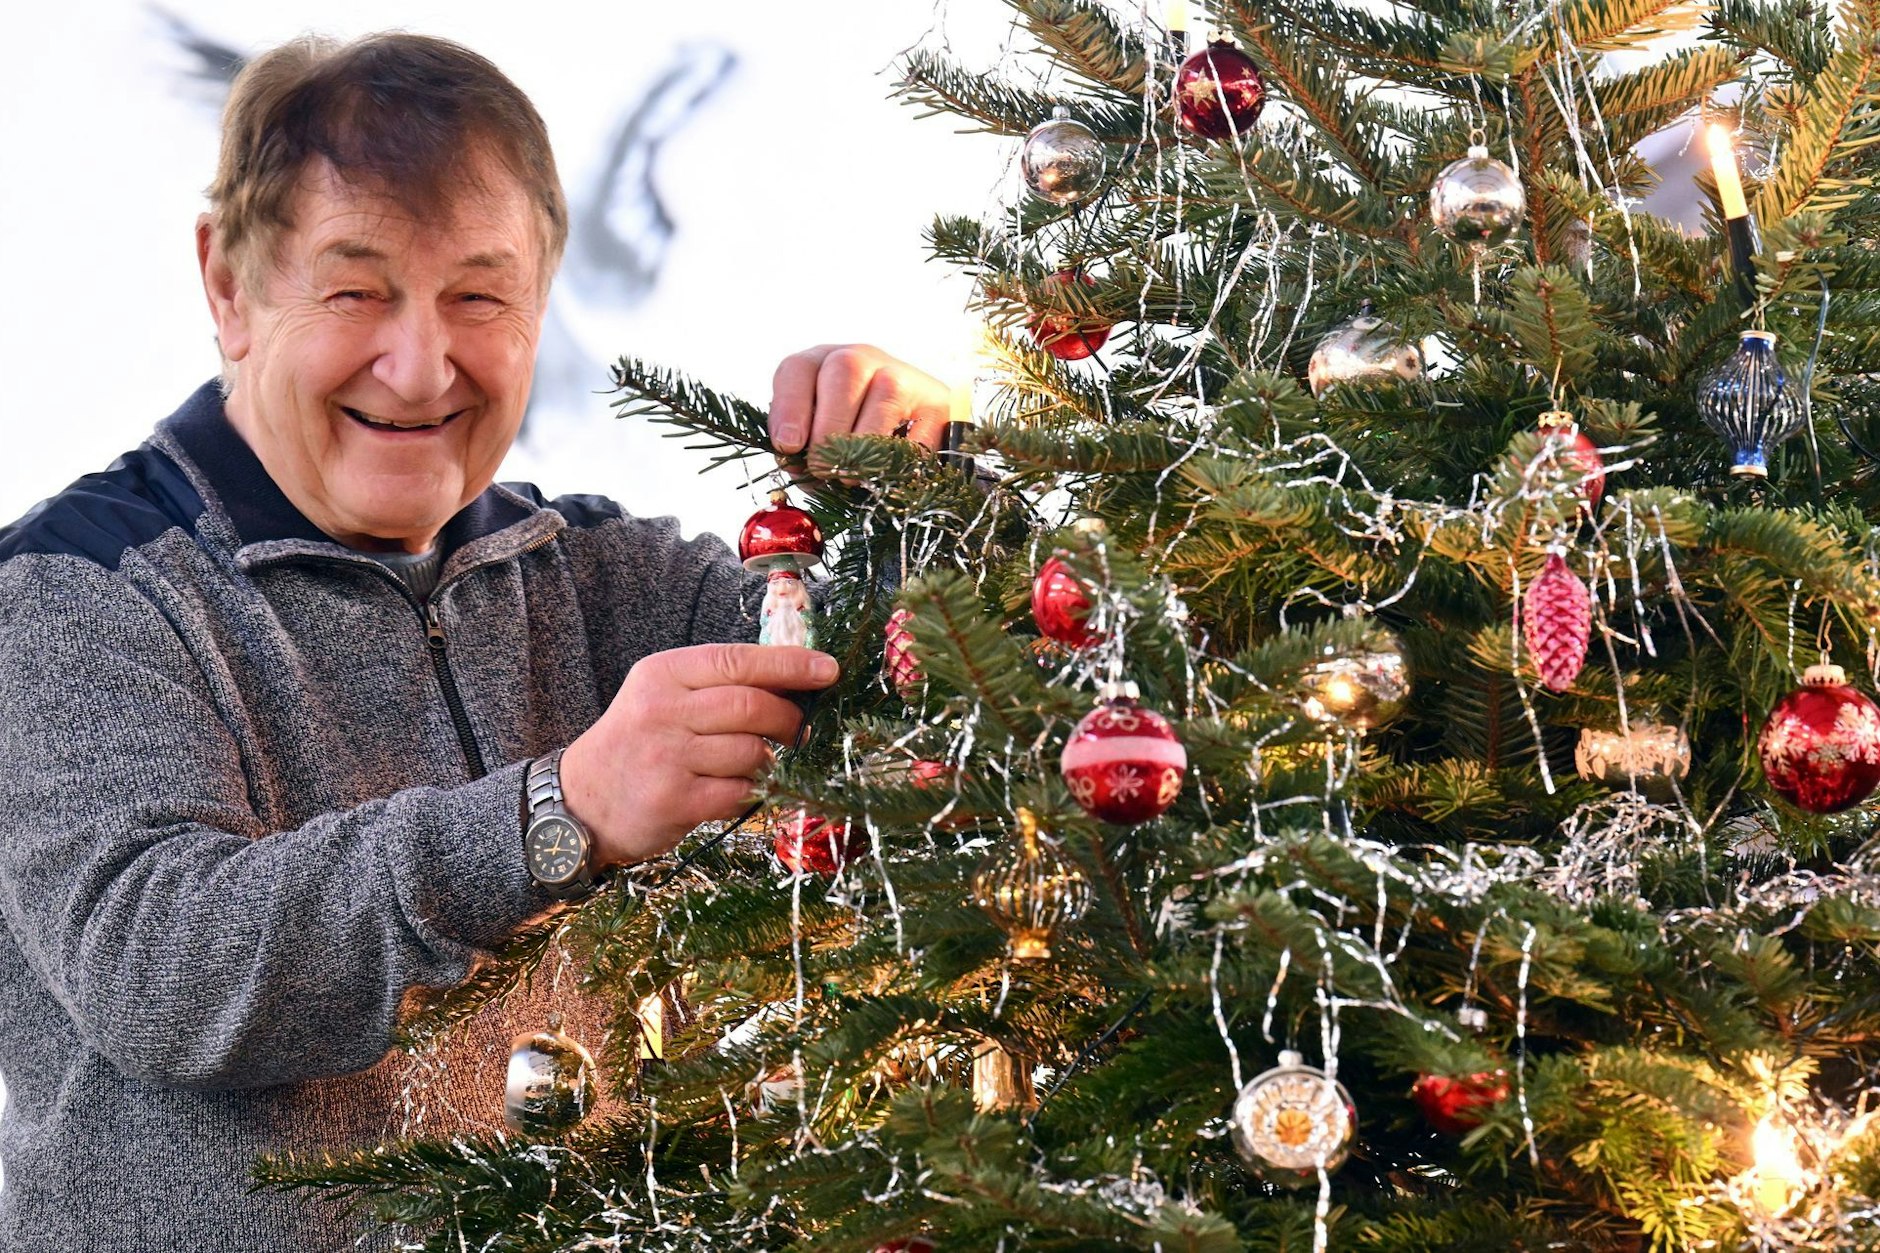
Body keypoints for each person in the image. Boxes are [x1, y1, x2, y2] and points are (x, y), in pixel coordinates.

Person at [0, 31, 951, 1252]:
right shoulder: (72, 592)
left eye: (478, 297)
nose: (420, 364)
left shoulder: (600, 573)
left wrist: (920, 487)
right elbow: (163, 968)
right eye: (355, 291)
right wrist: (560, 809)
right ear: (228, 287)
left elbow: (925, 692)